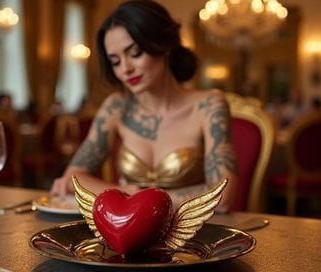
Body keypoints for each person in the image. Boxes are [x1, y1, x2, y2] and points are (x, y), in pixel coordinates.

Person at [50, 0, 238, 212]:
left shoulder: (209, 104)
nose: (125, 69)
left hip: (195, 234)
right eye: (115, 61)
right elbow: (73, 178)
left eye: (135, 53)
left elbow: (223, 195)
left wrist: (133, 197)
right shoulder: (116, 106)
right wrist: (132, 196)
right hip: (128, 232)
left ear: (163, 45)